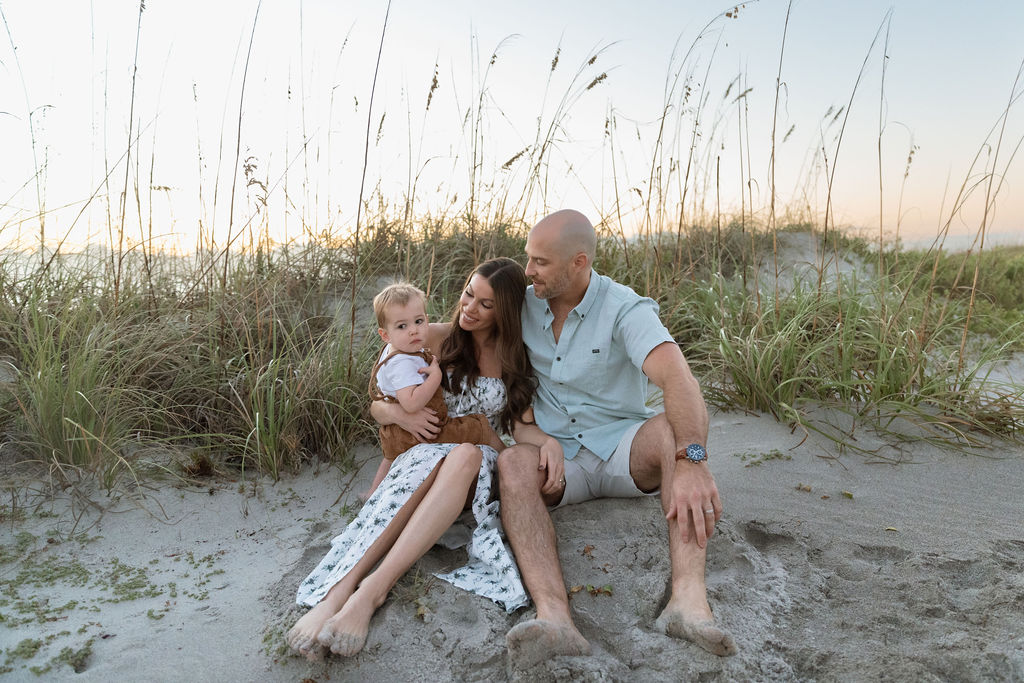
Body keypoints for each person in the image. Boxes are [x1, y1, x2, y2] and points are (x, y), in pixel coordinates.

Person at [497, 209, 736, 668]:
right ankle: (555, 620)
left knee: (670, 432)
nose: (528, 271)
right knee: (511, 464)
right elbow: (464, 331)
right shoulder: (524, 304)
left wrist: (694, 460)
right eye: (528, 259)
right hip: (558, 460)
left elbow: (678, 379)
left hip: (622, 451)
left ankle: (687, 604)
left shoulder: (625, 307)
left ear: (579, 262)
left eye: (540, 262)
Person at [286, 257, 536, 660]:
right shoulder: (429, 336)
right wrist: (399, 414)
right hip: (426, 454)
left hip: (481, 460)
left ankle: (372, 590)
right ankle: (337, 595)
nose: (470, 308)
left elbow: (523, 427)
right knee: (451, 456)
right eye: (468, 293)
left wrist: (528, 458)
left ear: (505, 312)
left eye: (486, 304)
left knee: (467, 454)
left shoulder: (518, 356)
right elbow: (378, 402)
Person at [360, 282, 492, 500]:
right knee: (478, 428)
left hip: (397, 430)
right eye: (402, 326)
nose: (413, 330)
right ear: (385, 335)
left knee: (391, 456)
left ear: (427, 319)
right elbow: (411, 404)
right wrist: (436, 377)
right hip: (419, 425)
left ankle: (373, 493)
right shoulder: (402, 361)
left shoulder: (397, 349)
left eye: (419, 321)